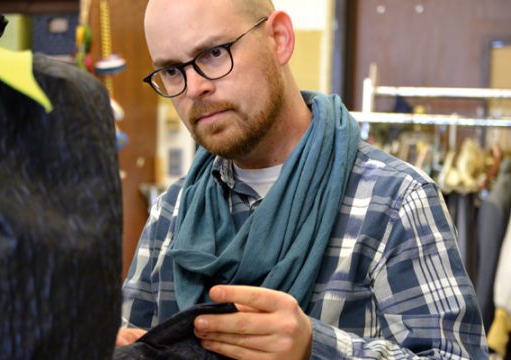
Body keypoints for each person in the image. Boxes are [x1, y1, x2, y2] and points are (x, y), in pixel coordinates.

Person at [118, 0, 488, 358]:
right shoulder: (171, 212)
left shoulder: (394, 202)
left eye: (214, 53)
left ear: (279, 38)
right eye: (171, 70)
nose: (194, 88)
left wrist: (316, 348)